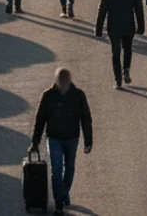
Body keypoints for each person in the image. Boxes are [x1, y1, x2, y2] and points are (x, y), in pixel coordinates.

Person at [29, 67, 93, 215]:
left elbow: (86, 119)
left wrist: (88, 141)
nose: (63, 85)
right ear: (57, 81)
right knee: (56, 170)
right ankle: (59, 202)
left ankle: (64, 192)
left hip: (72, 138)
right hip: (54, 138)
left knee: (69, 168)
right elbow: (40, 120)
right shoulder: (48, 96)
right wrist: (35, 142)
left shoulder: (78, 95)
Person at [94, 0, 144, 89]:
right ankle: (126, 69)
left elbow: (102, 11)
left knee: (115, 53)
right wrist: (141, 27)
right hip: (129, 25)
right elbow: (139, 10)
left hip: (114, 26)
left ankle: (118, 80)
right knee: (127, 49)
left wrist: (98, 29)